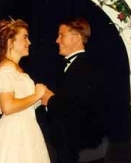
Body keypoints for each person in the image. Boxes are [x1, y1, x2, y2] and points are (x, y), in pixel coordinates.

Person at [0, 18, 50, 163]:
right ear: (10, 42)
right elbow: (8, 106)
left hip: (27, 129)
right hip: (16, 134)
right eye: (25, 37)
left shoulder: (16, 69)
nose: (29, 42)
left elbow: (26, 104)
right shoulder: (7, 68)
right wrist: (36, 95)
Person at [41, 17, 107, 163]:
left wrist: (50, 101)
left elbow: (77, 107)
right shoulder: (70, 66)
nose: (57, 40)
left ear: (77, 38)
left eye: (61, 35)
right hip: (70, 150)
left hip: (84, 152)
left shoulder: (87, 67)